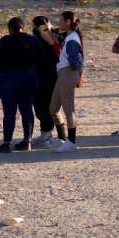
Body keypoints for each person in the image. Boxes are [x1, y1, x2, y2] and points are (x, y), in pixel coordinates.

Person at [0, 17, 41, 153]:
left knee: (9, 111)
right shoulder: (33, 40)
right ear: (23, 27)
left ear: (10, 29)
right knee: (27, 109)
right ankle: (27, 141)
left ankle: (7, 143)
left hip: (9, 76)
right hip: (29, 75)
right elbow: (41, 58)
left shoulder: (4, 41)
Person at [51, 11, 86, 153]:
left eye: (60, 20)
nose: (59, 23)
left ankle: (71, 141)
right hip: (63, 73)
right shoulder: (70, 37)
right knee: (53, 108)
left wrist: (74, 72)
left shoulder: (72, 38)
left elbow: (74, 59)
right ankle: (63, 139)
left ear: (68, 22)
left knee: (69, 109)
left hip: (67, 73)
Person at [31, 16, 60, 148]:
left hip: (42, 77)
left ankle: (45, 134)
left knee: (41, 105)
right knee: (49, 105)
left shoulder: (37, 40)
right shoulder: (55, 36)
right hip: (54, 75)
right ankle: (47, 133)